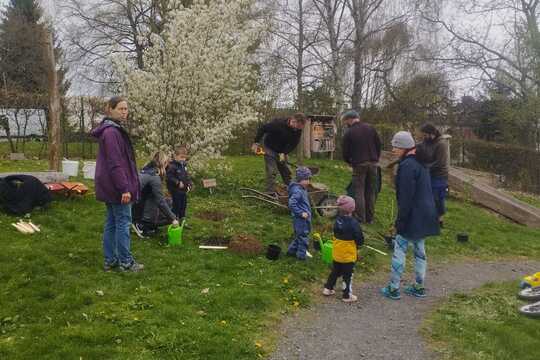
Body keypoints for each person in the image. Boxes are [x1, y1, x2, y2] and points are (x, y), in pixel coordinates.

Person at [380, 131, 440, 300]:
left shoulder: (407, 166)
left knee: (399, 249)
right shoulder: (421, 163)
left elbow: (405, 197)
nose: (393, 149)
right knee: (420, 251)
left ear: (405, 147)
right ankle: (419, 287)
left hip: (413, 215)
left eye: (396, 146)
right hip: (426, 213)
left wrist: (400, 221)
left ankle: (393, 288)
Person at [91, 96, 143, 272]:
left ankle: (111, 260)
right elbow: (115, 164)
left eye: (126, 109)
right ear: (110, 109)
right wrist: (124, 188)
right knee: (122, 222)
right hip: (117, 187)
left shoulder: (113, 130)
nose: (124, 112)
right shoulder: (112, 133)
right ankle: (125, 262)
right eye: (120, 108)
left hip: (110, 186)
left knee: (112, 222)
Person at [341, 110, 381, 224]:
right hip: (373, 164)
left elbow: (345, 152)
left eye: (345, 121)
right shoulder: (371, 128)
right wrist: (375, 158)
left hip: (359, 164)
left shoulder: (349, 132)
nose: (345, 123)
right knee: (371, 191)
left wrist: (349, 161)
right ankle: (370, 218)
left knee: (359, 191)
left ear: (350, 119)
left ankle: (360, 218)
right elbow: (378, 144)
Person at [251, 113, 307, 194]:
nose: (298, 129)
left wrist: (284, 153)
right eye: (298, 127)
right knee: (272, 170)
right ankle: (270, 192)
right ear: (293, 121)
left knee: (286, 170)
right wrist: (256, 143)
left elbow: (293, 144)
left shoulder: (298, 130)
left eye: (300, 128)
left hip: (281, 150)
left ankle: (293, 189)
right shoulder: (278, 124)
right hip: (269, 147)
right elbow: (263, 128)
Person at [322, 195, 364, 303]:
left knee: (335, 271)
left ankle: (328, 288)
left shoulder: (337, 220)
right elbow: (359, 237)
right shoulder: (354, 223)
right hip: (348, 255)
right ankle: (347, 295)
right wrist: (359, 245)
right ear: (352, 208)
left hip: (337, 252)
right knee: (347, 275)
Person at [132, 151, 179, 238]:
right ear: (163, 163)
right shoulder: (154, 176)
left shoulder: (145, 170)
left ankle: (143, 222)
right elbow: (160, 201)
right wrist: (173, 219)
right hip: (139, 212)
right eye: (167, 164)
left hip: (135, 207)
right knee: (170, 211)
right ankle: (143, 225)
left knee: (168, 201)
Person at [416, 124, 449, 227]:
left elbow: (440, 163)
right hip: (428, 173)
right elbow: (420, 148)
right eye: (423, 135)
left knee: (437, 198)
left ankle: (439, 219)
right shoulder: (426, 142)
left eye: (426, 135)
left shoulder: (441, 144)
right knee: (427, 196)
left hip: (439, 175)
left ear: (432, 134)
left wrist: (424, 168)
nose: (424, 137)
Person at [286, 167, 312, 260]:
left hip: (302, 218)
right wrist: (301, 213)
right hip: (301, 219)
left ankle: (291, 251)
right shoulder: (298, 191)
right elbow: (291, 203)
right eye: (306, 179)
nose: (308, 182)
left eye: (309, 179)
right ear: (300, 180)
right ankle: (301, 256)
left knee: (299, 236)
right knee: (303, 237)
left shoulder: (301, 188)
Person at [166, 145, 192, 222]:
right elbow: (169, 177)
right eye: (181, 157)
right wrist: (177, 182)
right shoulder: (172, 166)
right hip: (175, 190)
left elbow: (187, 176)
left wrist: (189, 183)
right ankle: (174, 220)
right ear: (175, 156)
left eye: (184, 157)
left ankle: (182, 219)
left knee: (183, 205)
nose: (183, 159)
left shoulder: (184, 166)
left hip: (183, 190)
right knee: (176, 205)